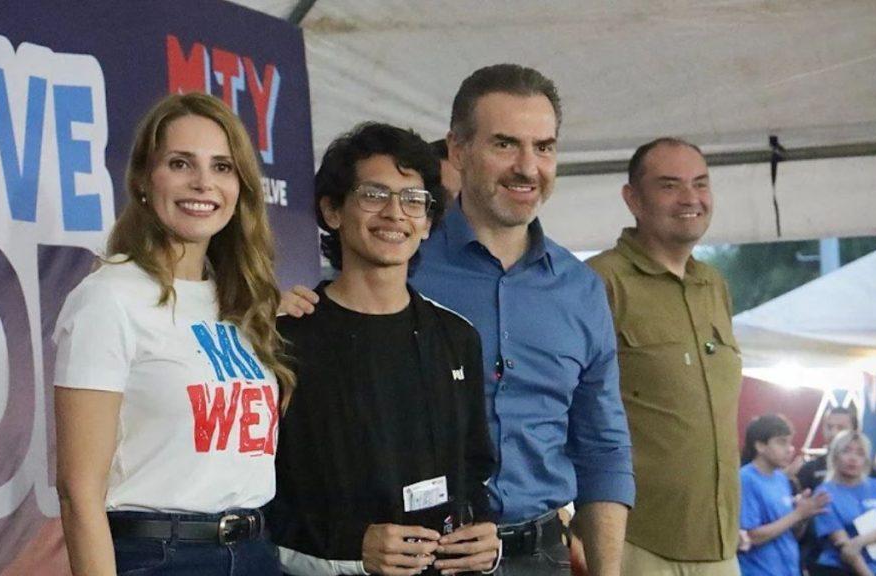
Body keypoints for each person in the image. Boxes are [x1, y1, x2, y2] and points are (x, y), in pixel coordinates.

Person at [282, 64, 635, 575]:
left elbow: (603, 444)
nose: (527, 166)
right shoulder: (397, 264)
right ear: (458, 150)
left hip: (542, 552)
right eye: (505, 144)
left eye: (544, 147)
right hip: (411, 558)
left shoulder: (580, 290)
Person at [54, 92, 291, 576]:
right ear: (143, 179)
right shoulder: (109, 298)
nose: (203, 182)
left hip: (254, 551)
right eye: (181, 163)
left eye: (223, 167)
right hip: (160, 557)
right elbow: (79, 493)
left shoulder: (242, 303)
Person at [269, 122, 499, 576]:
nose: (396, 213)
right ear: (332, 210)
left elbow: (474, 472)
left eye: (413, 200)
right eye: (374, 195)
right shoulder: (284, 339)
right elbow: (260, 499)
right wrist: (354, 547)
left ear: (429, 221)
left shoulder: (456, 337)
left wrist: (485, 536)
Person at [586, 137, 742, 575]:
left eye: (701, 184)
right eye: (670, 185)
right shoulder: (599, 282)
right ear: (632, 199)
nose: (691, 198)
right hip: (637, 542)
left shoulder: (714, 284)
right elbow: (564, 411)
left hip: (721, 544)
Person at [739, 414, 831, 576]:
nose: (790, 449)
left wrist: (803, 516)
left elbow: (790, 532)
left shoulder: (781, 479)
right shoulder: (746, 479)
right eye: (782, 442)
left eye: (790, 442)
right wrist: (797, 514)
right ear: (760, 446)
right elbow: (750, 537)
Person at [811, 431, 876, 576]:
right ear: (834, 457)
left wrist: (859, 542)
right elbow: (845, 547)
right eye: (846, 451)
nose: (853, 458)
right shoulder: (824, 493)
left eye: (860, 453)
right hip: (840, 569)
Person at [797, 407, 876, 493]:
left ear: (855, 431)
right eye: (829, 427)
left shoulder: (875, 473)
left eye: (840, 428)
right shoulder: (809, 470)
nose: (833, 433)